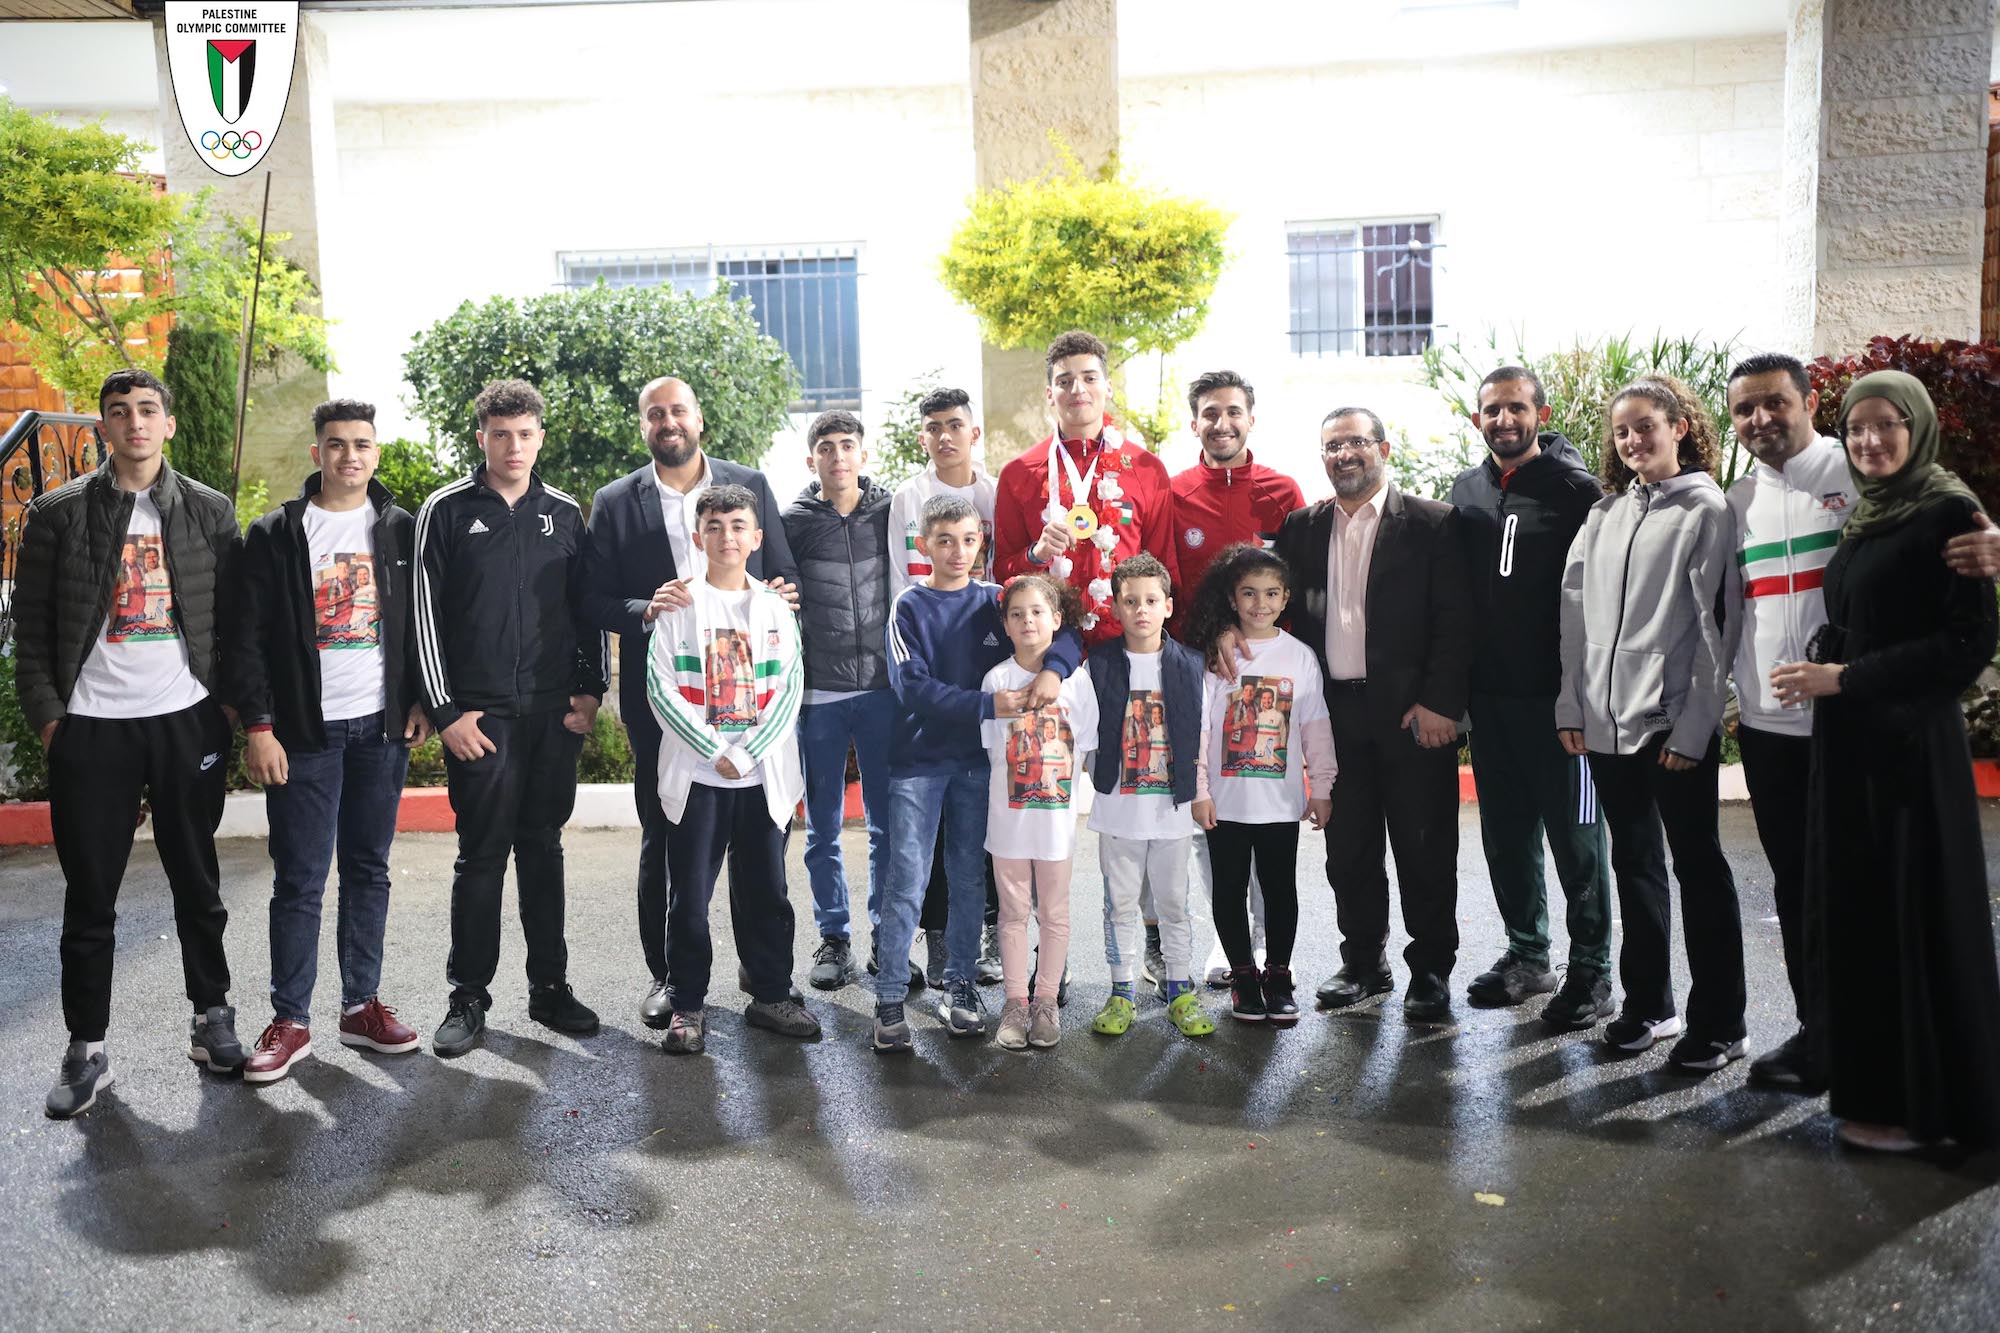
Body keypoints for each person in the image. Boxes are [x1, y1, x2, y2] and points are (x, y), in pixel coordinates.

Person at [1724, 352, 2000, 1092]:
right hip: (1769, 726)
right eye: (1745, 408)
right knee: (1798, 890)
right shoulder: (1738, 499)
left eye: (1775, 402)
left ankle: (1884, 1048)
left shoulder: (1860, 472)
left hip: (1854, 721)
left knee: (1869, 889)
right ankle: (1819, 1034)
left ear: (1809, 403)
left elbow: (1944, 517)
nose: (1761, 418)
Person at [21, 369, 245, 1118]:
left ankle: (211, 1016)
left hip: (185, 720)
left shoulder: (208, 510)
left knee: (197, 881)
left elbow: (236, 619)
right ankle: (86, 1047)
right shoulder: (57, 513)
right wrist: (53, 721)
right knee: (91, 895)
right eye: (120, 412)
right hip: (92, 729)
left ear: (167, 424)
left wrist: (226, 709)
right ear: (104, 429)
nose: (136, 423)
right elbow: (31, 633)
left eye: (148, 410)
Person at [580, 376, 798, 1029]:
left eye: (678, 410)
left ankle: (765, 979)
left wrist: (779, 601)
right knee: (668, 842)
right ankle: (671, 979)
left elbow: (785, 575)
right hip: (669, 702)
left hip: (754, 706)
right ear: (643, 425)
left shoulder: (748, 485)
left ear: (699, 418)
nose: (668, 422)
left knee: (761, 853)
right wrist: (647, 608)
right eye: (656, 414)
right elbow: (592, 598)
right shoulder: (616, 501)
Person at [228, 398, 431, 1084]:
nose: (350, 455)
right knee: (301, 879)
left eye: (362, 444)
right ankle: (290, 1018)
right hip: (304, 733)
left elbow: (421, 624)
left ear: (376, 453)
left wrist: (421, 701)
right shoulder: (278, 532)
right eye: (337, 444)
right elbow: (247, 639)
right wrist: (259, 727)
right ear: (317, 452)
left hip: (381, 730)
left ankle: (360, 1006)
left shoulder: (400, 528)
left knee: (369, 869)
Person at [415, 379, 607, 1057]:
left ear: (540, 438)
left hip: (551, 714)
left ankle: (549, 987)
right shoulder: (445, 510)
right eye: (501, 434)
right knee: (482, 856)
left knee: (543, 848)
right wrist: (445, 712)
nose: (513, 446)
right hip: (481, 719)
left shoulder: (565, 512)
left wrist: (590, 692)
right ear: (482, 439)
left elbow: (586, 611)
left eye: (525, 434)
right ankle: (468, 997)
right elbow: (423, 617)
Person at [1557, 377, 1744, 1070]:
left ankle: (1721, 1023)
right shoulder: (1603, 514)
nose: (1633, 440)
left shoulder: (1708, 509)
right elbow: (1573, 616)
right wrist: (1571, 705)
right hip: (1605, 723)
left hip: (1672, 727)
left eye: (1645, 426)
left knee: (1698, 867)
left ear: (1680, 427)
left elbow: (1716, 630)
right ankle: (1650, 1006)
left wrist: (1696, 728)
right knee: (1634, 863)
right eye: (1622, 431)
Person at [1273, 408, 1471, 1022]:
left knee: (1424, 847)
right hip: (1334, 716)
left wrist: (1441, 703)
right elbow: (1278, 611)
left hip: (1414, 717)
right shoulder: (1301, 527)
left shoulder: (1435, 522)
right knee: (1349, 849)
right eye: (1332, 446)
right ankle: (1363, 962)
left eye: (1356, 442)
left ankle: (1431, 969)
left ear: (1383, 448)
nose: (1345, 454)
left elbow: (1457, 622)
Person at [877, 495, 1082, 1051]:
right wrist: (988, 706)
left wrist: (1055, 670)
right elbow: (912, 687)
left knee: (969, 879)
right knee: (908, 879)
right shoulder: (907, 606)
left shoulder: (996, 599)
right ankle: (889, 997)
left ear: (981, 543)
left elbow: (1065, 629)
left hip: (976, 766)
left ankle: (961, 986)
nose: (958, 551)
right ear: (924, 545)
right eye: (945, 540)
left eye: (969, 540)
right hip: (918, 764)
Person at [1448, 367, 1614, 1029]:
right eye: (1492, 410)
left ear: (1540, 413)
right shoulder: (1466, 491)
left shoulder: (1578, 491)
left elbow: (1600, 602)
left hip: (1560, 706)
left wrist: (1584, 696)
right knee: (1507, 837)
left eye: (1516, 407)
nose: (1504, 419)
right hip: (1491, 703)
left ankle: (1593, 970)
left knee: (1579, 843)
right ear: (1477, 419)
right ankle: (1528, 955)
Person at [645, 485, 818, 1054]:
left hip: (761, 777)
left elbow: (789, 688)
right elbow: (661, 688)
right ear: (698, 538)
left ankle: (770, 994)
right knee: (689, 898)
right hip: (697, 778)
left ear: (757, 538)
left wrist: (744, 754)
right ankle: (687, 1004)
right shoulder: (677, 605)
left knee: (767, 891)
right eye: (714, 527)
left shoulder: (776, 608)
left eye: (738, 526)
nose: (727, 536)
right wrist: (712, 748)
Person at [1168, 370, 1305, 987]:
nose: (1221, 424)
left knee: (1266, 815)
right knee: (1212, 818)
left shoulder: (1282, 491)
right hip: (1202, 671)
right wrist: (1211, 635)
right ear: (1194, 422)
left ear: (1251, 418)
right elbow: (1171, 587)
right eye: (1209, 413)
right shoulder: (1175, 494)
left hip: (1268, 683)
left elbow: (1298, 586)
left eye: (1232, 412)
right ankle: (1232, 944)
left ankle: (1271, 944)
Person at [1187, 545, 1336, 1025]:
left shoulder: (1299, 657)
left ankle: (1278, 974)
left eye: (1271, 593)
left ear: (1286, 597)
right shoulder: (1217, 657)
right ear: (1232, 598)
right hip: (1225, 804)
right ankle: (1244, 977)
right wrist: (1200, 790)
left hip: (1280, 804)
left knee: (1279, 890)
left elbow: (1315, 726)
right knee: (1228, 890)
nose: (1260, 603)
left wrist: (1322, 787)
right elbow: (1201, 729)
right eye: (1249, 593)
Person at [782, 411, 896, 993]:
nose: (837, 456)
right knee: (822, 827)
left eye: (847, 445)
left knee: (885, 826)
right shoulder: (792, 522)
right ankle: (834, 937)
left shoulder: (891, 512)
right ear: (812, 460)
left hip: (881, 691)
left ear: (862, 454)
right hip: (820, 693)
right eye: (826, 447)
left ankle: (886, 936)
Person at [1085, 553, 1215, 1038]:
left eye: (1151, 600)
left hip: (1171, 813)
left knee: (1173, 905)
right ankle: (1121, 992)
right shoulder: (1097, 665)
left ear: (1168, 605)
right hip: (1119, 812)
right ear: (1115, 607)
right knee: (1119, 906)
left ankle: (1180, 990)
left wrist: (1200, 792)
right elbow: (1082, 731)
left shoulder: (1191, 666)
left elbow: (1203, 736)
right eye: (1131, 601)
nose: (1141, 609)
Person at [992, 330, 1181, 647]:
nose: (1077, 389)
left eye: (1089, 378)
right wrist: (1035, 555)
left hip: (1127, 645)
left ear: (1108, 387)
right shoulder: (1018, 474)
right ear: (1050, 393)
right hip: (1048, 650)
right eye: (1064, 381)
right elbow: (1001, 574)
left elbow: (1165, 570)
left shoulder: (1147, 469)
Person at [980, 575, 1098, 1050]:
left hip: (1055, 826)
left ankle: (1046, 1000)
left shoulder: (1077, 682)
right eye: (1017, 614)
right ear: (1006, 625)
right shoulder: (996, 681)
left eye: (1036, 612)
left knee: (1054, 914)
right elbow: (992, 751)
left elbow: (1084, 749)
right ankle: (1015, 1002)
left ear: (1056, 619)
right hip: (1008, 825)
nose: (1027, 620)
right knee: (1011, 914)